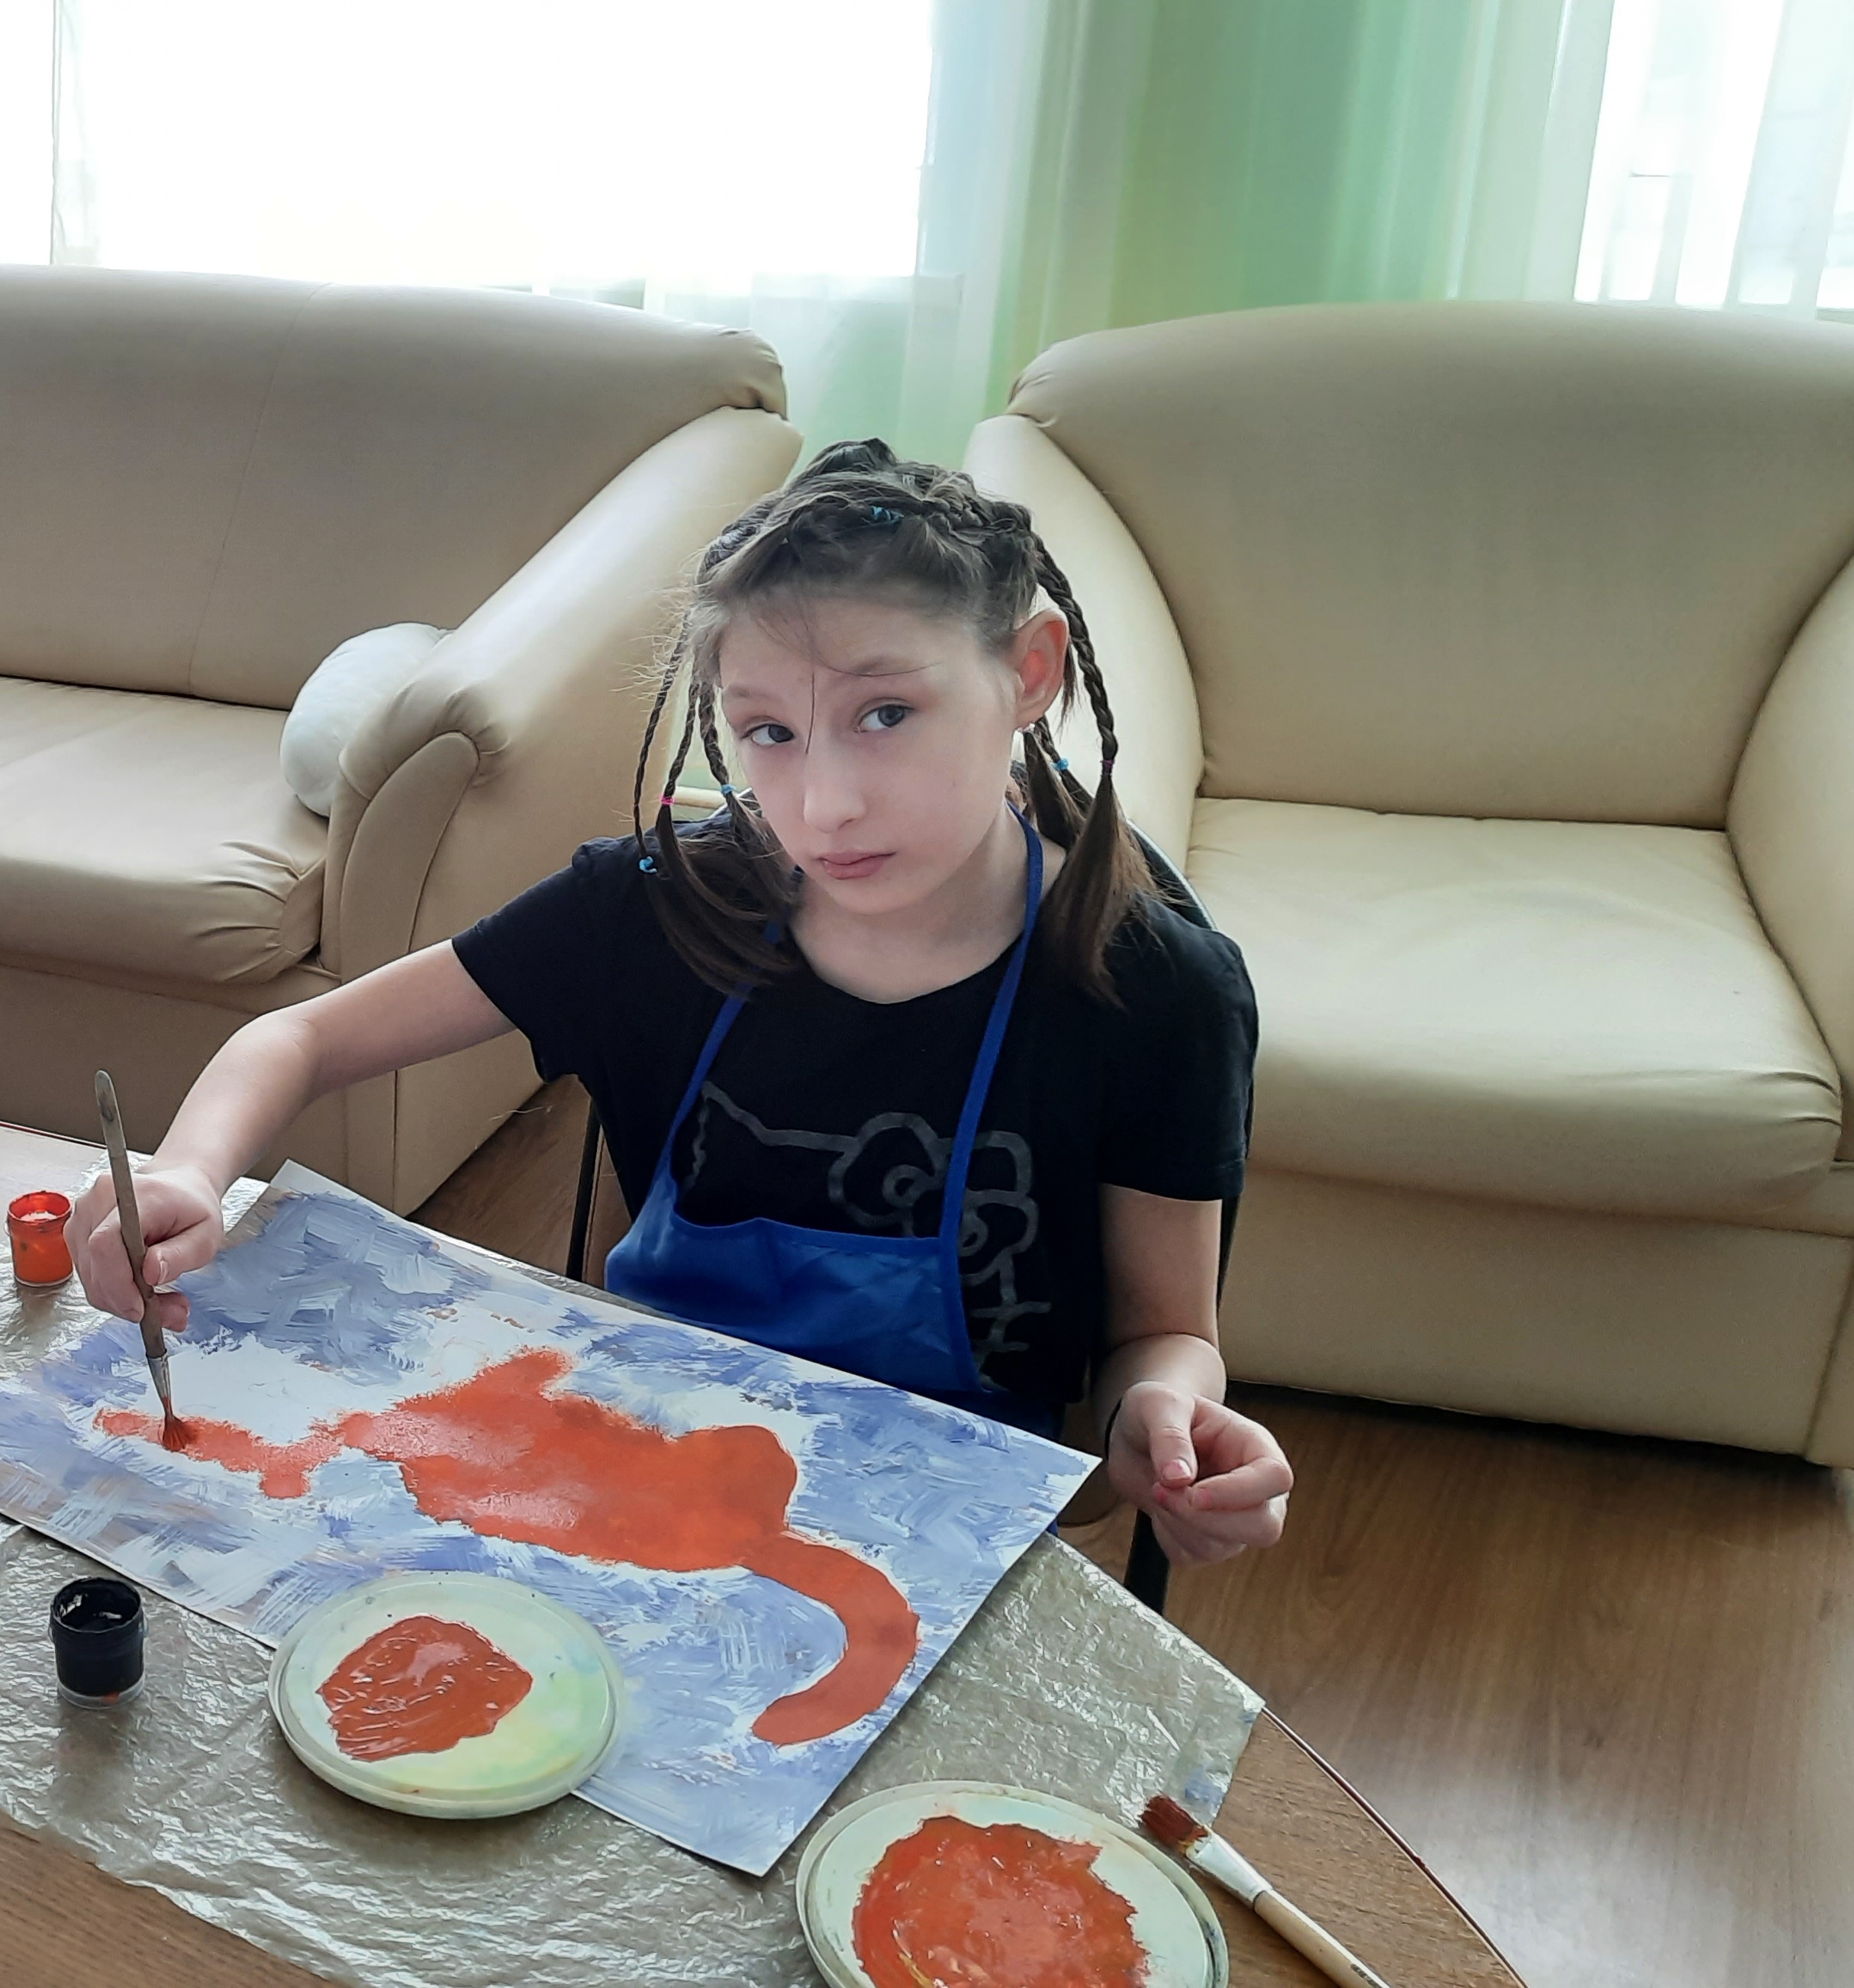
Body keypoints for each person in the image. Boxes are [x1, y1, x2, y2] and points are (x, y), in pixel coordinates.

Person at [74, 441, 1290, 1566]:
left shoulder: (1156, 993)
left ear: (1028, 673)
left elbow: (1166, 1336)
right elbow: (295, 1036)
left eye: (886, 715)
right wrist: (189, 1174)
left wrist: (1165, 1416)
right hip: (639, 1477)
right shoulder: (652, 910)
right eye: (769, 731)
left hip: (949, 1532)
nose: (825, 804)